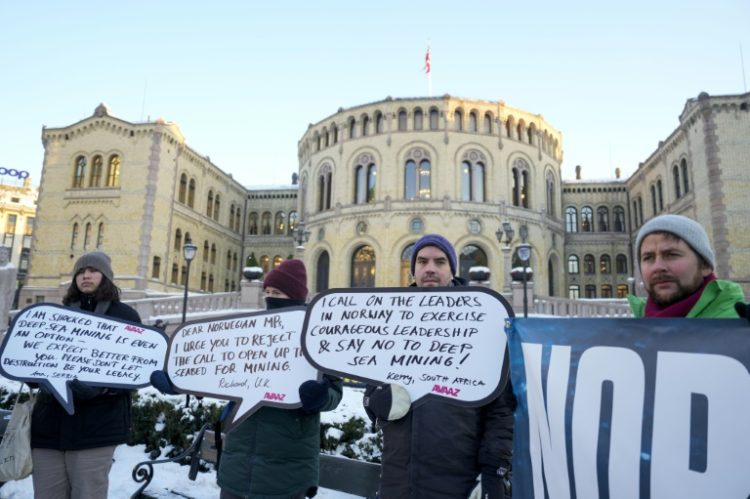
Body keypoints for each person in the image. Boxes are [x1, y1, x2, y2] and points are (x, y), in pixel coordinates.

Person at [150, 259, 342, 499]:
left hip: (286, 473)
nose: (271, 297)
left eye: (278, 292)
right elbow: (214, 370)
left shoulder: (317, 334)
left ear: (294, 296)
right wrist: (179, 382)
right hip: (237, 466)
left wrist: (321, 396)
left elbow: (335, 391)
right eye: (268, 292)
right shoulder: (250, 333)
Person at [363, 234, 515, 499]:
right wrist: (376, 400)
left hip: (458, 482)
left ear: (452, 270)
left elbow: (501, 410)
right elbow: (371, 394)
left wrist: (495, 470)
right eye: (422, 261)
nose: (430, 268)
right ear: (413, 270)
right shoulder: (391, 322)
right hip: (398, 482)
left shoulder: (480, 322)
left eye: (439, 261)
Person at [31, 251, 141, 499]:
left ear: (106, 277)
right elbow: (34, 358)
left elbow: (134, 370)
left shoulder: (124, 317)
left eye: (93, 270)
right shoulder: (53, 316)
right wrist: (31, 374)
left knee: (88, 493)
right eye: (80, 272)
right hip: (49, 427)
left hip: (96, 429)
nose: (86, 275)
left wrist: (102, 389)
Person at [628, 214, 745, 318]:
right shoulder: (634, 328)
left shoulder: (738, 325)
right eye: (648, 258)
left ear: (705, 265)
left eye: (671, 255)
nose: (657, 267)